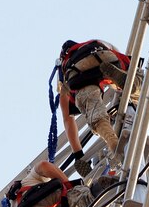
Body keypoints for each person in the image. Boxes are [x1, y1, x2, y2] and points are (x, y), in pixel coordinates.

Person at [58, 39, 143, 176]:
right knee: (138, 83)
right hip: (103, 54)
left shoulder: (64, 72)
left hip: (78, 71)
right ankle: (130, 84)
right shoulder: (92, 42)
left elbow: (68, 120)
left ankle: (114, 144)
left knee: (96, 116)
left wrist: (78, 155)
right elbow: (119, 54)